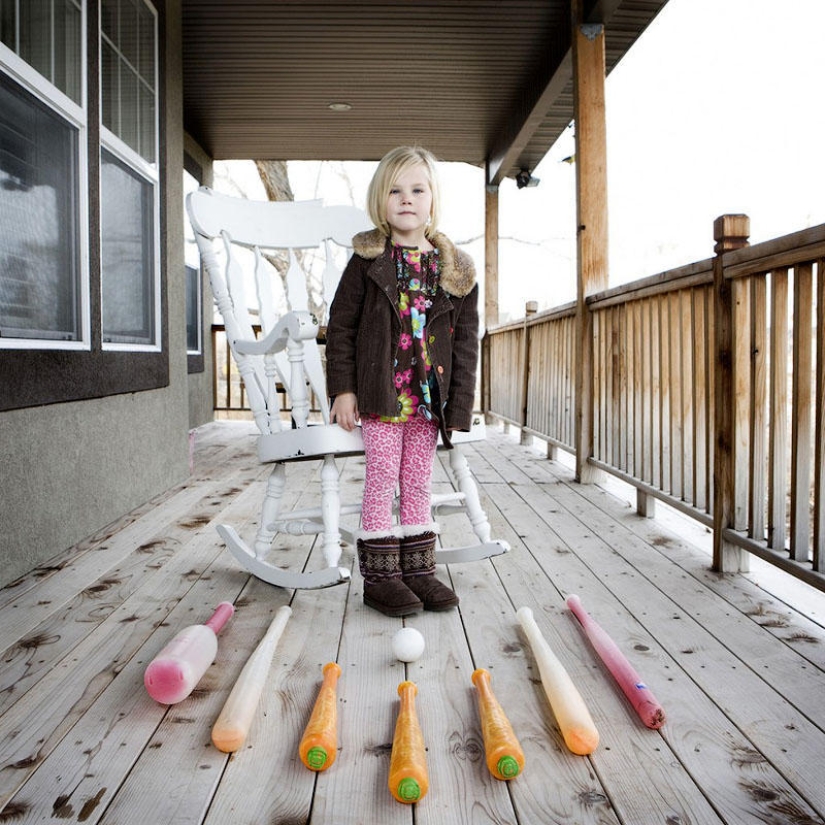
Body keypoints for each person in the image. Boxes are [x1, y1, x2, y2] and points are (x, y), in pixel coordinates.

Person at [325, 146, 480, 617]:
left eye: (417, 189)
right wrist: (344, 389)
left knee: (417, 482)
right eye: (395, 190)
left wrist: (459, 407)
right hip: (383, 394)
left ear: (433, 199)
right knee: (381, 480)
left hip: (428, 398)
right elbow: (341, 328)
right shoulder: (368, 261)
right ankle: (380, 578)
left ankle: (417, 570)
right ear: (380, 199)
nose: (406, 199)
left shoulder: (455, 271)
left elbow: (468, 344)